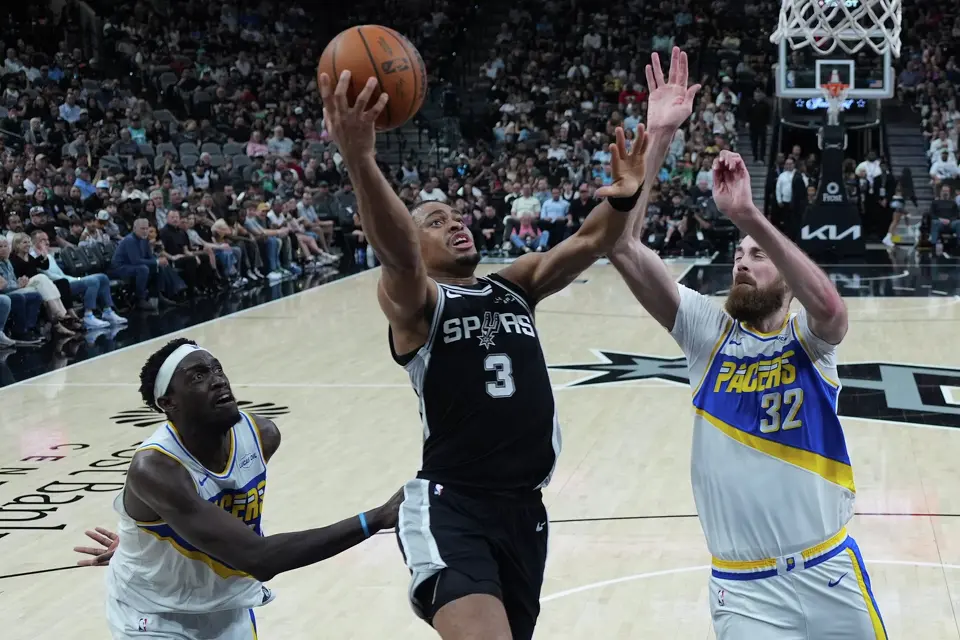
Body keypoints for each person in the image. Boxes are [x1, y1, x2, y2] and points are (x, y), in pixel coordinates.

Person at [319, 46, 697, 640]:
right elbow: (395, 251)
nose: (454, 223)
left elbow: (597, 237)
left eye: (455, 214)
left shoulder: (515, 285)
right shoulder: (416, 306)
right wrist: (360, 158)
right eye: (435, 222)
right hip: (452, 504)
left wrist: (647, 156)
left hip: (524, 511)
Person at [609, 149, 885, 639]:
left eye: (758, 254)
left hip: (831, 571)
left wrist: (748, 216)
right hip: (745, 591)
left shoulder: (808, 342)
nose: (742, 260)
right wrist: (662, 134)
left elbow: (832, 309)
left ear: (789, 282)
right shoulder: (706, 334)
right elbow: (623, 247)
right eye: (739, 253)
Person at [76, 338, 403, 639]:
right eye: (198, 376)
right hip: (154, 616)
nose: (218, 379)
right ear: (168, 402)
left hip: (226, 605)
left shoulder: (262, 435)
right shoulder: (157, 468)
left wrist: (142, 542)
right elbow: (259, 558)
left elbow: (209, 517)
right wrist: (375, 518)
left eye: (217, 368)